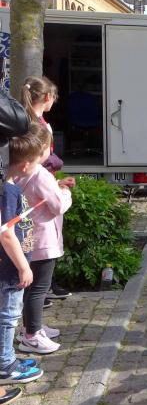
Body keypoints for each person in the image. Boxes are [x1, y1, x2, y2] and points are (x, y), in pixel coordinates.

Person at [13, 123, 74, 354]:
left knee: (30, 289)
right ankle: (32, 335)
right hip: (45, 240)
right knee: (39, 288)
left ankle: (31, 327)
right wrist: (65, 193)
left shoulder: (20, 171)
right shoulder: (40, 174)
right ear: (43, 149)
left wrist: (56, 186)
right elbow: (58, 206)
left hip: (27, 237)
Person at [0, 129, 40, 384]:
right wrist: (24, 267)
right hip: (10, 270)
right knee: (8, 316)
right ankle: (5, 364)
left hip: (12, 267)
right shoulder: (8, 191)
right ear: (25, 165)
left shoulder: (11, 187)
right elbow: (5, 233)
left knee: (9, 315)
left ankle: (8, 357)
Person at [21, 76, 63, 175]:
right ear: (47, 96)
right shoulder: (37, 125)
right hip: (37, 176)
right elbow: (40, 157)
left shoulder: (24, 119)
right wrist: (56, 162)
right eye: (54, 97)